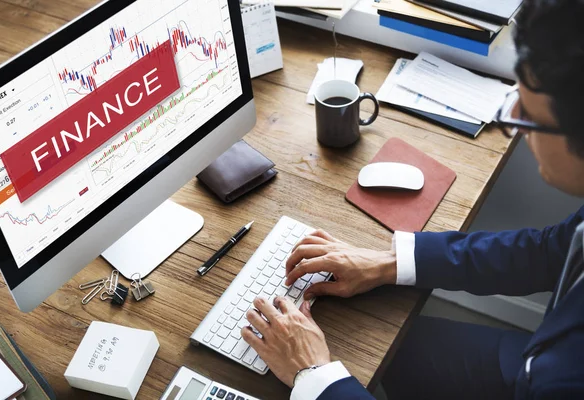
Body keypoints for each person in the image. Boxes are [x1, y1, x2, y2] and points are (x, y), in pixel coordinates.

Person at [240, 0, 584, 398]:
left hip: (542, 377)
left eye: (528, 117)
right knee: (398, 350)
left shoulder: (566, 382)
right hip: (536, 360)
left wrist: (314, 374)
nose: (517, 130)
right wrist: (390, 262)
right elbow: (549, 252)